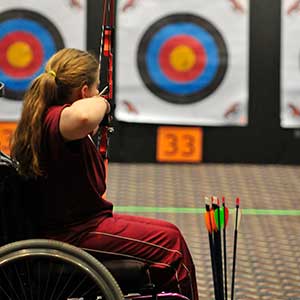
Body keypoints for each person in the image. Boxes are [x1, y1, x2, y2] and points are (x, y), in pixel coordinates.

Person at [10, 48, 198, 300]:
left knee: (170, 232)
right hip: (74, 232)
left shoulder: (48, 116)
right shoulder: (57, 119)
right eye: (96, 84)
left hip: (83, 223)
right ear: (84, 91)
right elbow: (84, 115)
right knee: (171, 245)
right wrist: (104, 101)